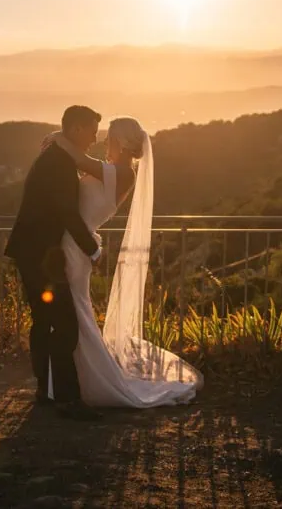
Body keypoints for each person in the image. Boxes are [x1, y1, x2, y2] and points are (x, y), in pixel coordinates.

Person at [41, 116, 202, 408]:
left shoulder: (123, 173)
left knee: (75, 315)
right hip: (73, 244)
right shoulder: (112, 171)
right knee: (73, 314)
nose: (106, 143)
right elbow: (79, 166)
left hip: (76, 249)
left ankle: (91, 383)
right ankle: (71, 382)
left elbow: (80, 159)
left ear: (123, 143)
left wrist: (58, 137)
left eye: (110, 138)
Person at [4, 105, 104, 420]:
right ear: (75, 129)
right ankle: (67, 399)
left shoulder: (55, 157)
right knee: (63, 324)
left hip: (31, 251)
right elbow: (66, 211)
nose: (94, 137)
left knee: (44, 321)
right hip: (41, 255)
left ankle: (44, 389)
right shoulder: (59, 163)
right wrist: (93, 249)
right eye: (91, 130)